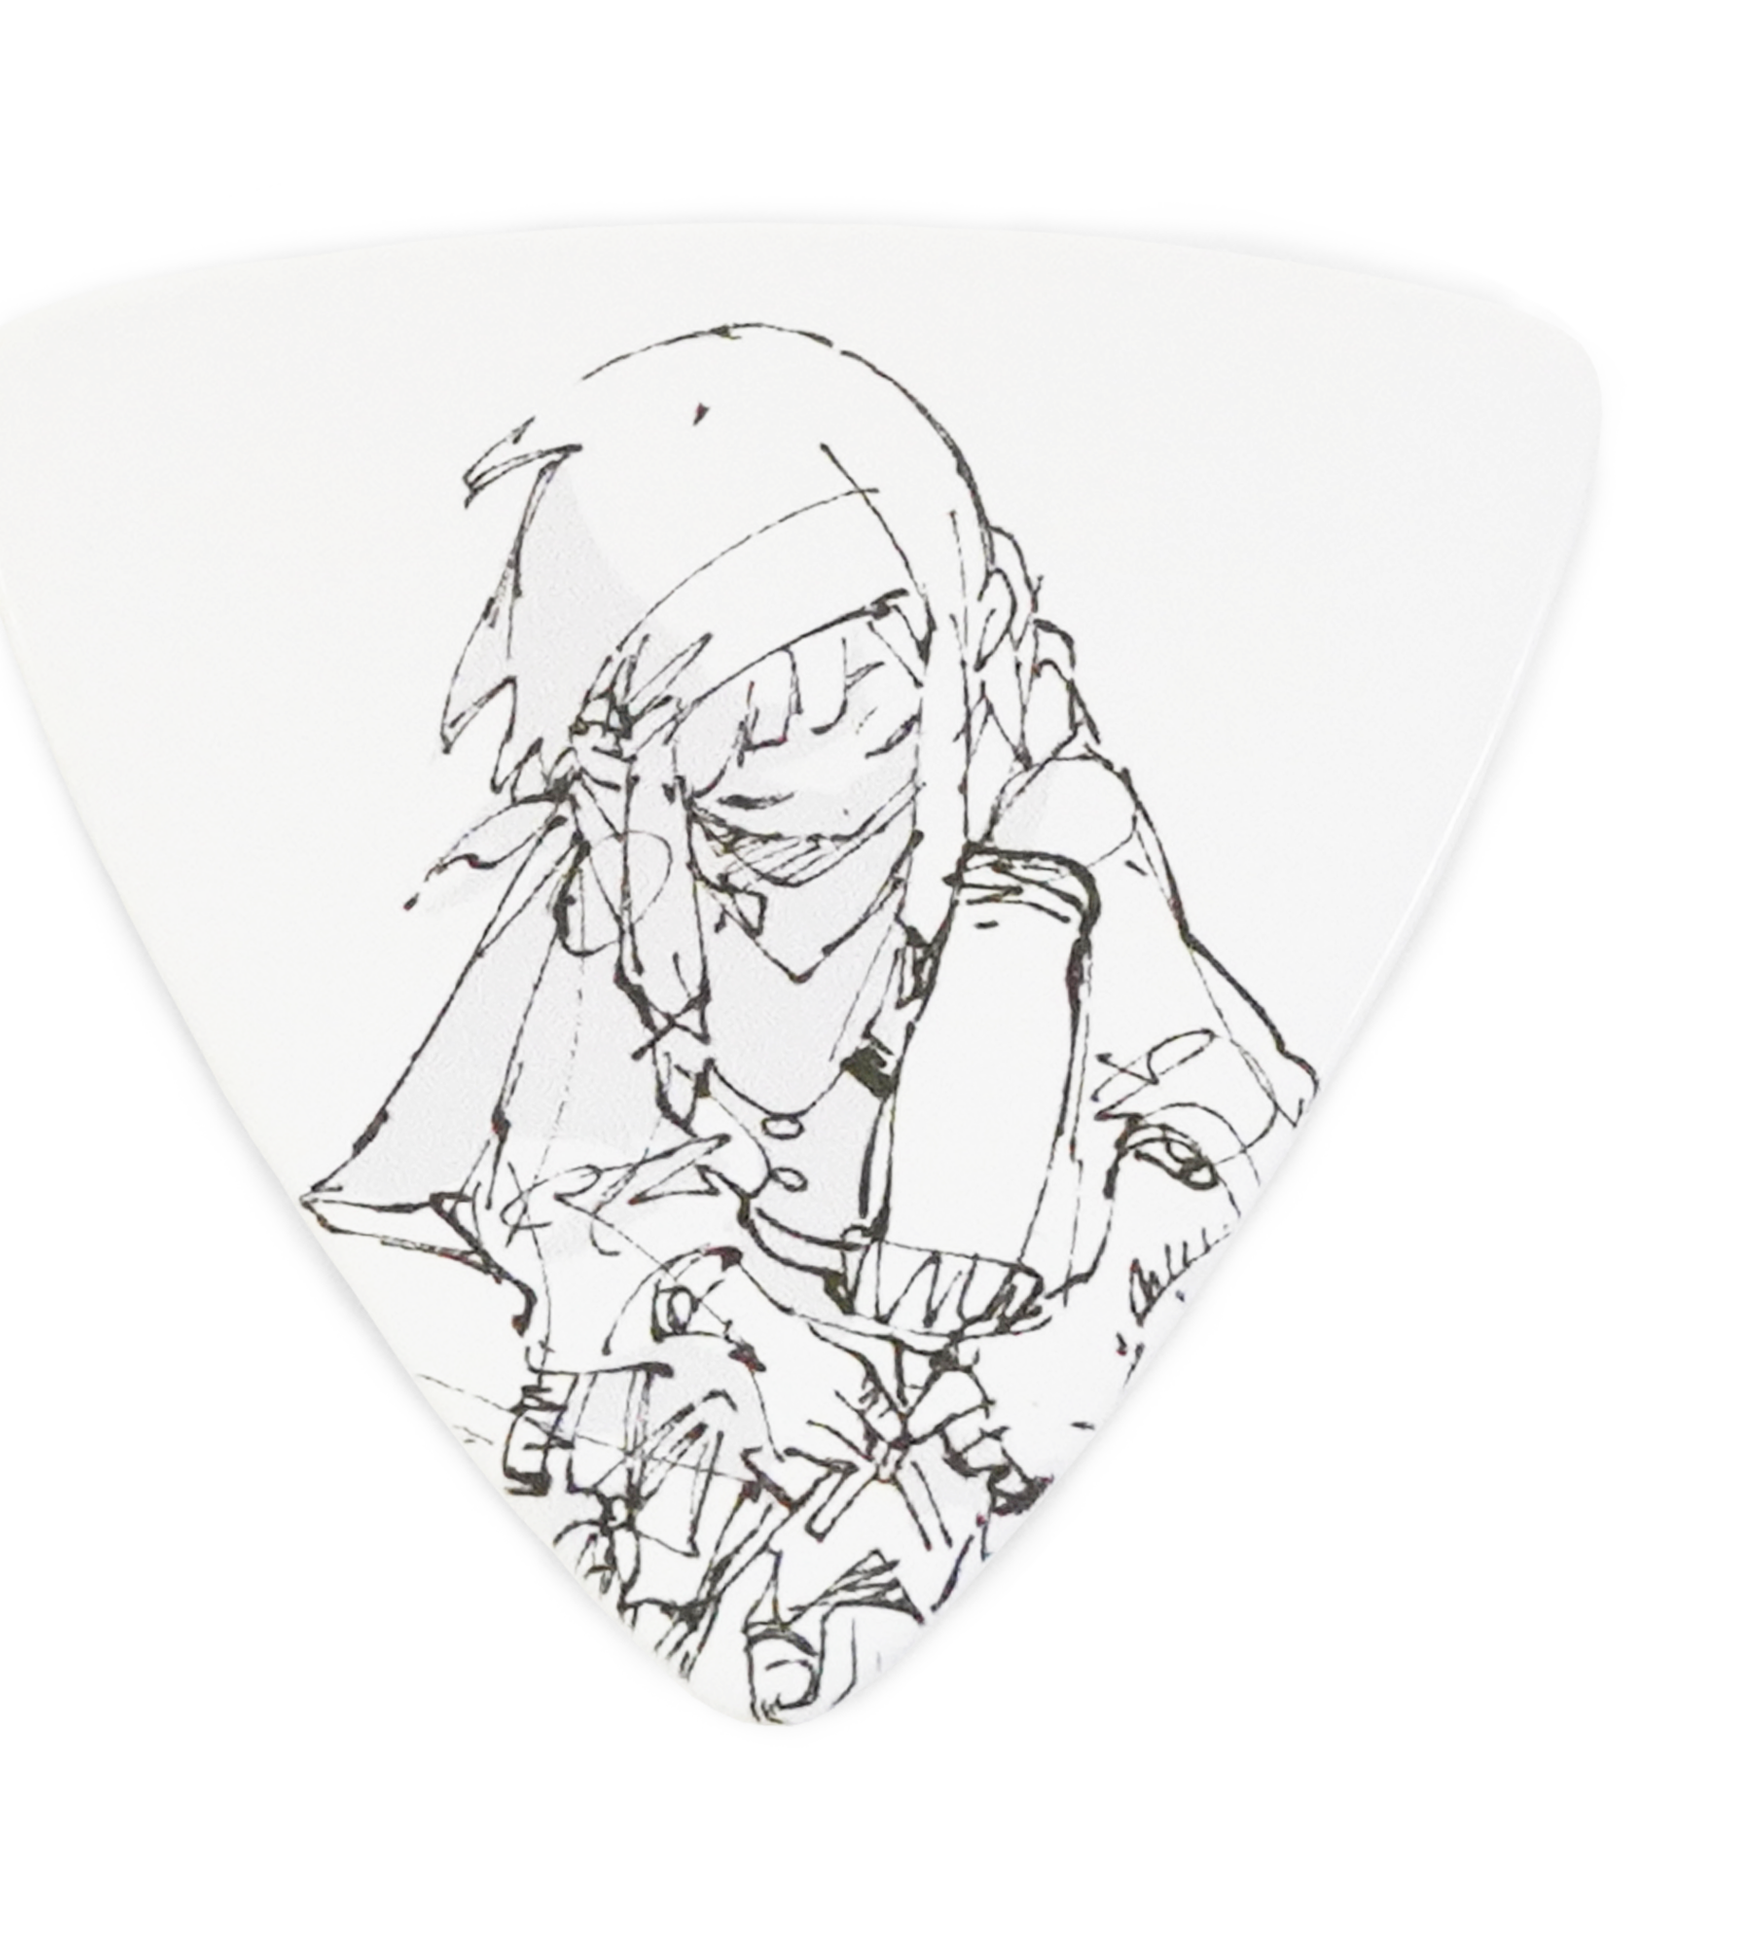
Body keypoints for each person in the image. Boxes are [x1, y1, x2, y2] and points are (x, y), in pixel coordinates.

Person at [306, 324, 1315, 1719]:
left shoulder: (1059, 858)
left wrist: (1058, 1340)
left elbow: (1221, 1147)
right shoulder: (606, 895)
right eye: (730, 731)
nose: (809, 768)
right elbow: (477, 1187)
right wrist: (715, 1316)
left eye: (861, 694)